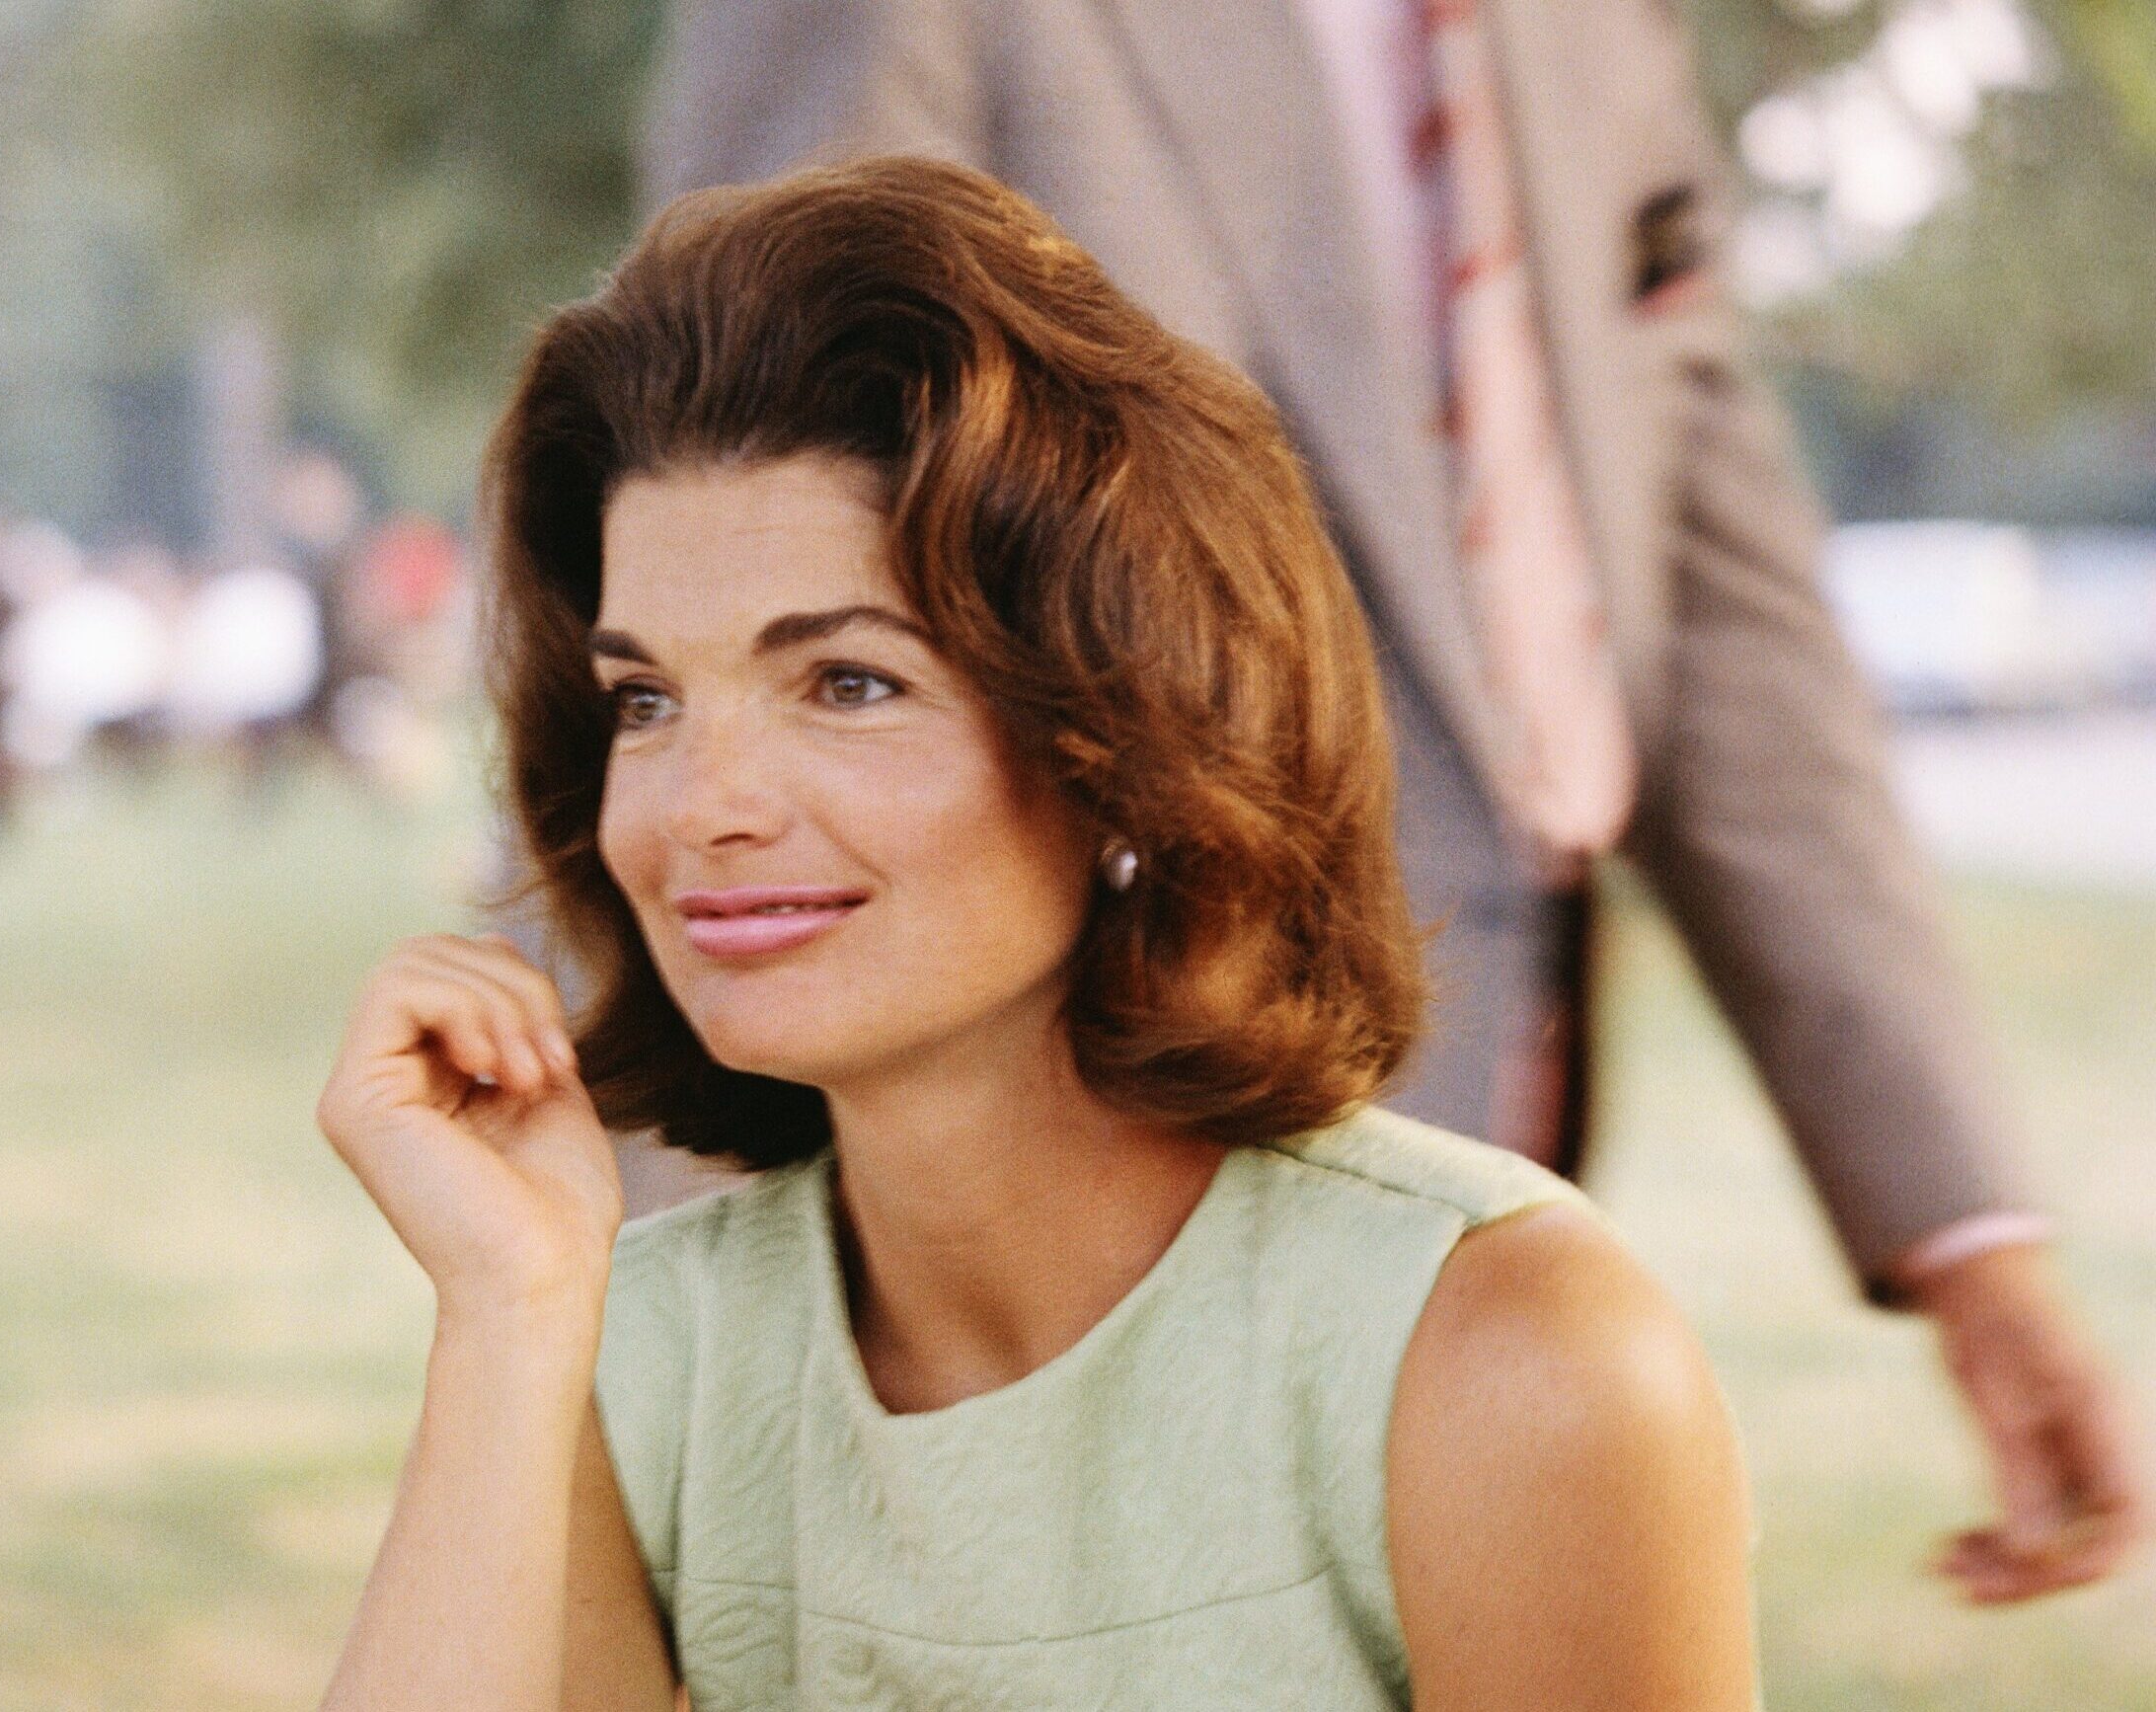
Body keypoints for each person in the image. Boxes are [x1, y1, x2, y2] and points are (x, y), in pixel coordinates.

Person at [643, 0, 2143, 1603]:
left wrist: (1963, 1227)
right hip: (1079, 1156)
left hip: (1500, 1101)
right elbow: (751, 502)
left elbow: (1708, 579)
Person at [315, 158, 1758, 1710]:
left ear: (1123, 737)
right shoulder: (635, 1359)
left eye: (848, 682)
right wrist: (508, 1312)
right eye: (647, 699)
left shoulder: (1511, 1361)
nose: (700, 809)